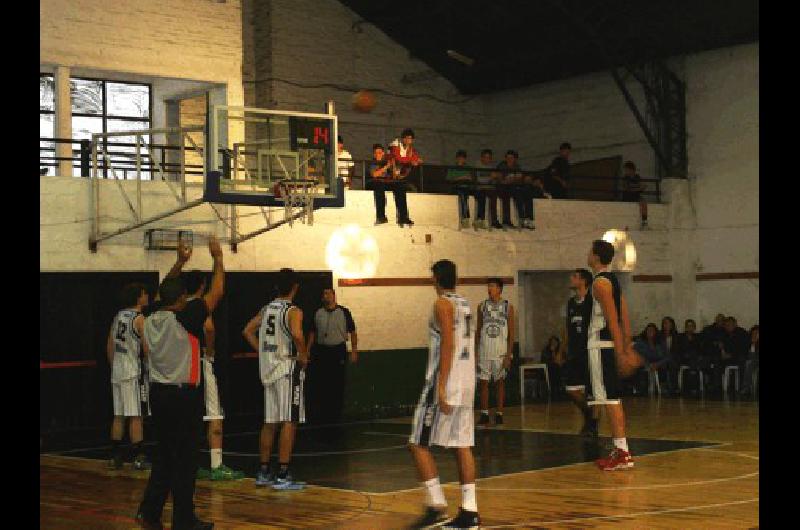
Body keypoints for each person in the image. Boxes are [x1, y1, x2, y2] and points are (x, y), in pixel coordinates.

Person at [137, 237, 224, 530]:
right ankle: (184, 519)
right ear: (181, 299)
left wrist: (179, 263)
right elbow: (216, 293)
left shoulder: (149, 317)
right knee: (185, 460)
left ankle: (149, 511)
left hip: (158, 395)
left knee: (163, 455)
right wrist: (219, 259)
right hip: (183, 396)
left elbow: (166, 290)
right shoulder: (186, 318)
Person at [407, 260, 480, 529]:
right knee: (462, 445)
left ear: (435, 279)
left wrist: (441, 385)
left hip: (447, 381)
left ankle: (436, 505)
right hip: (466, 380)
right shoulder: (466, 303)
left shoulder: (442, 304)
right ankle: (470, 512)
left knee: (417, 442)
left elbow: (448, 343)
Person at [242, 268, 309, 490]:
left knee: (270, 422)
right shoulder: (293, 311)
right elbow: (298, 335)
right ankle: (282, 473)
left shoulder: (267, 308)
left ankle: (263, 471)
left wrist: (262, 352)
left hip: (267, 370)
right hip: (286, 368)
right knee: (289, 420)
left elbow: (247, 331)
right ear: (295, 287)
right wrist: (303, 354)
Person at [180, 270, 244, 482]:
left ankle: (189, 463)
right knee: (214, 415)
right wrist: (209, 351)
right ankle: (217, 466)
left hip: (179, 368)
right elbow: (209, 328)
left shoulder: (175, 307)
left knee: (189, 418)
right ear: (201, 286)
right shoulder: (199, 306)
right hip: (199, 366)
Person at [587, 239, 640, 471]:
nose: (587, 255)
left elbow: (612, 320)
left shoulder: (600, 283)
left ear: (596, 257)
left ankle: (621, 453)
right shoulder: (613, 281)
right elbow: (624, 317)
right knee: (613, 399)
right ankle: (623, 451)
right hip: (610, 345)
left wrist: (620, 354)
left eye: (590, 252)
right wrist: (627, 347)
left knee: (609, 400)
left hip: (602, 345)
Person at [107, 283, 151, 471]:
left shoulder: (119, 316)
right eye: (144, 294)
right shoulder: (139, 318)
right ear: (138, 297)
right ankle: (139, 457)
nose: (147, 296)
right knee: (136, 415)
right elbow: (147, 348)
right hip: (133, 371)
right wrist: (150, 367)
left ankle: (115, 456)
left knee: (119, 415)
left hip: (117, 370)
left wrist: (114, 366)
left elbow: (109, 345)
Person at [307, 288, 358, 424]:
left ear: (334, 296)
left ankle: (337, 413)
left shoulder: (344, 312)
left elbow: (353, 332)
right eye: (324, 294)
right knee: (323, 382)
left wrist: (354, 351)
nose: (326, 296)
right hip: (322, 350)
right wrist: (307, 350)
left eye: (328, 293)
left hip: (338, 350)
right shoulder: (318, 313)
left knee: (338, 382)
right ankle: (324, 413)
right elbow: (312, 333)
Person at [562, 268, 598, 436]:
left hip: (589, 351)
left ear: (583, 281)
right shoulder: (570, 303)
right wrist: (563, 348)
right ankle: (590, 416)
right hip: (574, 352)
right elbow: (567, 328)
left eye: (575, 277)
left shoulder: (593, 302)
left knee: (592, 392)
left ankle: (591, 424)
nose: (571, 279)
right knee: (571, 390)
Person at [475, 278, 515, 426]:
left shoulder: (508, 307)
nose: (489, 288)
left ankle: (499, 413)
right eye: (488, 286)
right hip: (485, 350)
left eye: (492, 286)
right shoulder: (481, 306)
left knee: (500, 383)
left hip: (500, 352)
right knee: (483, 383)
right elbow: (478, 331)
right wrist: (475, 352)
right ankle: (484, 413)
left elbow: (512, 333)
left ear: (499, 289)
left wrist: (509, 355)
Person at [368, 143, 412, 226]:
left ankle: (403, 217)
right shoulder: (373, 163)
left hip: (387, 182)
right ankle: (381, 217)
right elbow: (374, 174)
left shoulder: (387, 161)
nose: (378, 155)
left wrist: (395, 168)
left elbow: (396, 176)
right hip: (376, 182)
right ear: (374, 154)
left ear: (383, 153)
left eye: (380, 152)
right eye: (376, 153)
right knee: (379, 188)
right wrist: (386, 167)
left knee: (400, 187)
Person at [388, 128, 421, 227]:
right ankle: (403, 217)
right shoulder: (395, 145)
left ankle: (403, 217)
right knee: (400, 191)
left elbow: (417, 159)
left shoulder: (410, 149)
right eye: (407, 138)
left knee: (402, 191)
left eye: (410, 139)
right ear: (403, 138)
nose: (408, 141)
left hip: (401, 177)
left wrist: (413, 161)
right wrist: (411, 161)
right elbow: (398, 159)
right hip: (389, 176)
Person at [495, 150, 528, 229]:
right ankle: (506, 221)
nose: (509, 159)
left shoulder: (517, 166)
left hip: (514, 187)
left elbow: (519, 177)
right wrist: (507, 180)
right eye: (508, 157)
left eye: (511, 158)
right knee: (506, 197)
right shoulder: (501, 165)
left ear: (515, 159)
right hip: (503, 187)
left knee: (520, 196)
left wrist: (511, 179)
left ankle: (522, 219)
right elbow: (499, 178)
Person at [675, 319, 707, 395]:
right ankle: (693, 386)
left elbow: (701, 349)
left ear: (694, 328)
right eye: (688, 326)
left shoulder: (698, 337)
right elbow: (677, 350)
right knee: (693, 357)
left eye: (692, 326)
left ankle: (693, 386)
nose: (690, 328)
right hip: (684, 358)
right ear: (685, 328)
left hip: (695, 358)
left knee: (695, 358)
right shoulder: (680, 337)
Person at [634, 323, 668, 395]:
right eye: (648, 330)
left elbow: (666, 356)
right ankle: (641, 388)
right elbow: (636, 354)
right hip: (644, 362)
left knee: (666, 364)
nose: (650, 332)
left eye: (652, 330)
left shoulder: (660, 342)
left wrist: (658, 364)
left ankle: (663, 386)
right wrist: (648, 364)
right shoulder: (640, 342)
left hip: (658, 363)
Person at [446, 150, 475, 229]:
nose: (461, 160)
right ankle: (465, 217)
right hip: (455, 187)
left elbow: (471, 178)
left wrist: (466, 179)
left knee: (464, 194)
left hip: (465, 187)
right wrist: (460, 178)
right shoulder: (452, 168)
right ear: (456, 158)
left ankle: (465, 218)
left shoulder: (468, 168)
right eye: (460, 158)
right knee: (462, 195)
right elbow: (449, 179)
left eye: (463, 158)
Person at [473, 149, 501, 229]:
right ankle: (480, 219)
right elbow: (479, 180)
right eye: (485, 157)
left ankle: (494, 221)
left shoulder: (493, 167)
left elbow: (495, 180)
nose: (487, 159)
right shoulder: (477, 165)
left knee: (494, 197)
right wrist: (491, 178)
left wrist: (495, 178)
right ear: (481, 158)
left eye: (489, 158)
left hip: (490, 188)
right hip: (480, 188)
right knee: (482, 196)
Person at [621, 161, 648, 229]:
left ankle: (644, 221)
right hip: (627, 196)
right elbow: (627, 187)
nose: (625, 171)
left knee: (644, 202)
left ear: (631, 170)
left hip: (636, 195)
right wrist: (637, 187)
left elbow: (643, 186)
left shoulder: (637, 177)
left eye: (626, 169)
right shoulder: (625, 177)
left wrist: (634, 188)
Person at [660, 316, 680, 394]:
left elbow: (677, 350)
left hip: (673, 358)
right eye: (665, 323)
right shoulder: (659, 336)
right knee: (663, 364)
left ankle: (674, 387)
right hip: (662, 358)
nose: (666, 325)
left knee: (672, 363)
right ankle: (664, 386)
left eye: (668, 323)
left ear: (672, 325)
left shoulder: (676, 336)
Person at [740, 325, 759, 397]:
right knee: (748, 363)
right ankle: (746, 388)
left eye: (757, 333)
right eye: (753, 333)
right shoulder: (748, 342)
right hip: (755, 361)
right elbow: (750, 356)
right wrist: (753, 344)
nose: (755, 335)